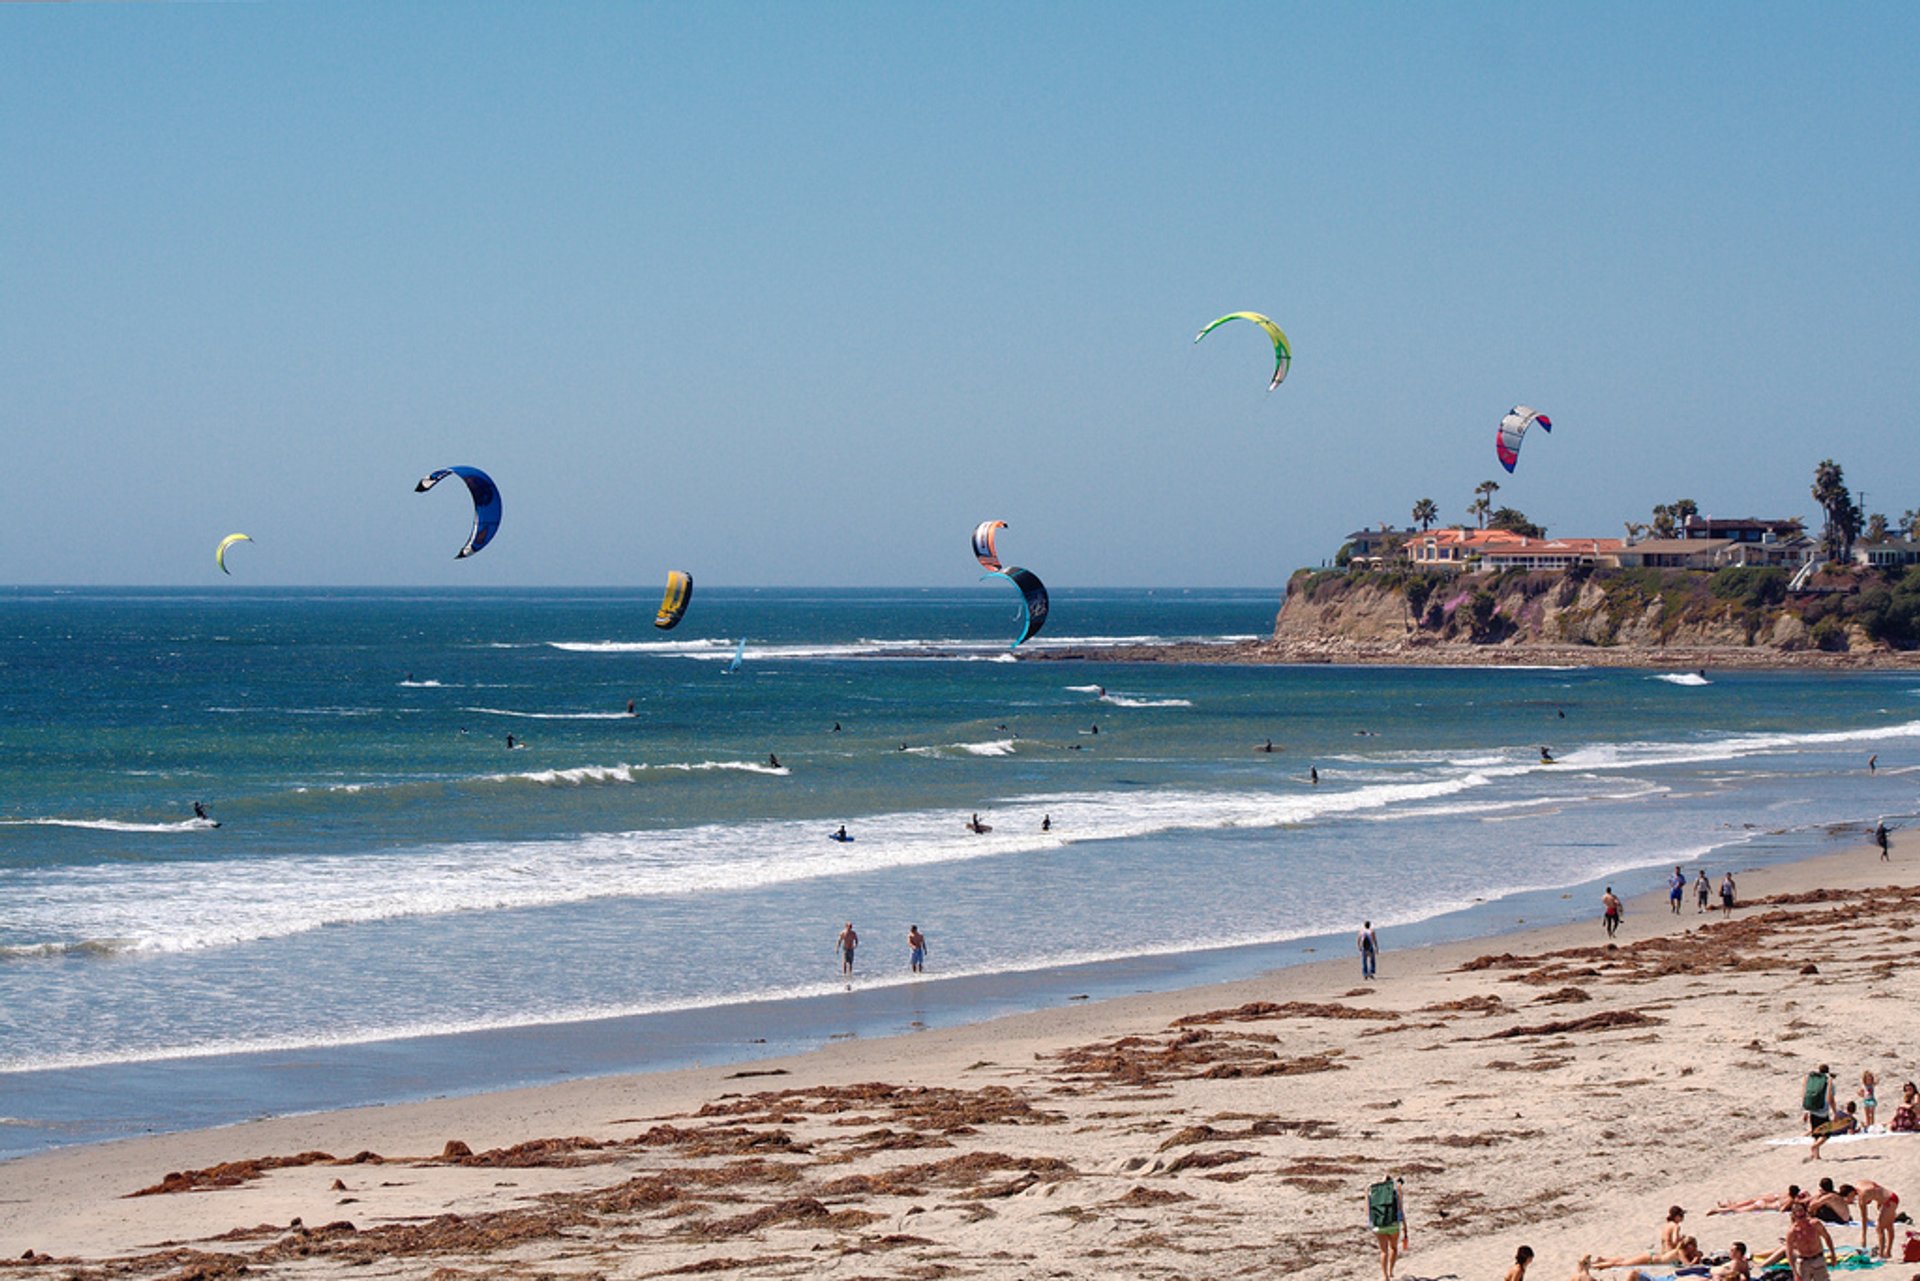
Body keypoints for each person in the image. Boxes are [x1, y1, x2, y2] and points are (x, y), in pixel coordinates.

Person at [1781, 1199, 1837, 1280]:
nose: (1799, 1213)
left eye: (1801, 1210)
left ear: (1805, 1211)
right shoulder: (1792, 1232)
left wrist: (1833, 1255)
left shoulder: (1815, 1224)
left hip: (1818, 1259)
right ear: (1793, 1214)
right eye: (1796, 1211)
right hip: (1804, 1262)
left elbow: (1827, 1237)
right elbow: (1789, 1252)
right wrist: (1795, 1272)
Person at [1367, 1177, 1407, 1280]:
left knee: (1383, 1251)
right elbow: (1401, 1210)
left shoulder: (1373, 1193)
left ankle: (1385, 1276)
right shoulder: (1396, 1193)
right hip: (1393, 1224)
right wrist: (1405, 1228)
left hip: (1378, 1225)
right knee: (1393, 1247)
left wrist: (1366, 1191)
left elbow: (1367, 1212)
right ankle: (1391, 1271)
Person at [1854, 1180, 1899, 1258]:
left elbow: (1864, 1218)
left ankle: (1881, 1255)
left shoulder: (1862, 1197)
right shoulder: (1861, 1184)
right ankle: (1888, 1252)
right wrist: (1879, 1202)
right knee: (1889, 1226)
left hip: (1889, 1201)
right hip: (1892, 1196)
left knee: (1879, 1228)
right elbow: (1877, 1188)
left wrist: (1863, 1237)